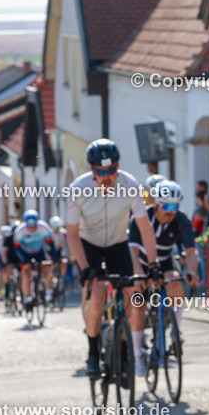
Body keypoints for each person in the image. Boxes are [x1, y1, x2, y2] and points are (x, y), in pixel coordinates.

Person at [66, 139, 159, 377]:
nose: (107, 177)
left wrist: (154, 264)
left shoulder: (130, 185)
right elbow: (73, 235)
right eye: (100, 172)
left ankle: (129, 349)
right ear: (91, 170)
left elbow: (145, 228)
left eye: (112, 171)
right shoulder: (77, 189)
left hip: (118, 244)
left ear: (118, 167)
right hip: (90, 245)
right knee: (96, 296)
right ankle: (93, 351)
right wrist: (86, 268)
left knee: (134, 298)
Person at [129, 180, 199, 374]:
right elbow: (133, 251)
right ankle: (138, 355)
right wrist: (139, 275)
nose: (171, 211)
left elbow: (192, 251)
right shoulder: (142, 217)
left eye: (175, 206)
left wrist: (192, 271)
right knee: (138, 306)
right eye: (167, 206)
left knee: (175, 279)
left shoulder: (181, 220)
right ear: (156, 204)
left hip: (164, 259)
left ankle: (175, 331)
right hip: (141, 261)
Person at [12, 209, 58, 310]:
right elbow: (16, 247)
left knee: (46, 269)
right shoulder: (20, 231)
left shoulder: (43, 228)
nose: (32, 229)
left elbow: (51, 243)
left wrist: (54, 258)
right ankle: (27, 298)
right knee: (26, 273)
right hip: (25, 253)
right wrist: (23, 259)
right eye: (30, 227)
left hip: (39, 252)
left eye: (34, 226)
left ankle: (48, 293)